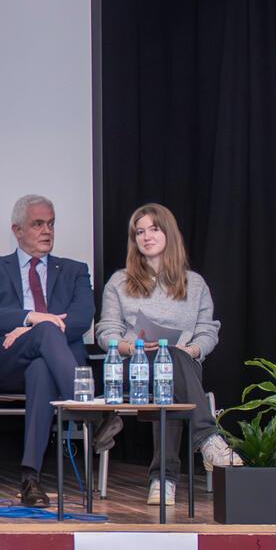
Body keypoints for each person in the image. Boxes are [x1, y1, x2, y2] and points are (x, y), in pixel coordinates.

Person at [97, 203, 240, 505]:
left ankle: (163, 480)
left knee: (172, 365)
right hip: (131, 368)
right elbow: (106, 333)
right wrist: (133, 346)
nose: (146, 236)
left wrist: (192, 349)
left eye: (154, 228)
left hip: (180, 364)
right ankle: (204, 442)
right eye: (139, 231)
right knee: (171, 369)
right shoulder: (119, 282)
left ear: (169, 233)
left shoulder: (195, 283)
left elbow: (207, 331)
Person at [0, 194, 94, 508]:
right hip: (6, 361)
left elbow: (81, 318)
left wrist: (35, 328)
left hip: (49, 366)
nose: (47, 230)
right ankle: (89, 411)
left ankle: (30, 478)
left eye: (51, 223)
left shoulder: (75, 270)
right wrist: (30, 318)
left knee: (41, 368)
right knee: (46, 330)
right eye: (38, 224)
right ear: (17, 229)